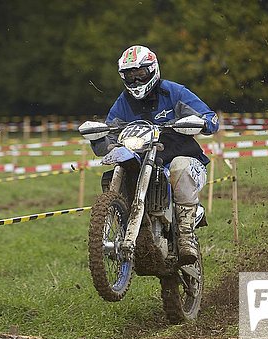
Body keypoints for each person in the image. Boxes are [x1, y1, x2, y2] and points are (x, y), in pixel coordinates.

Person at [88, 44, 219, 265]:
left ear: (152, 70)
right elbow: (110, 129)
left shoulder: (174, 92)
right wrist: (101, 139)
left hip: (182, 161)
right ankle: (124, 228)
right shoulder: (124, 102)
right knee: (118, 168)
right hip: (143, 160)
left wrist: (202, 123)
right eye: (130, 75)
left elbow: (210, 117)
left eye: (140, 74)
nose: (136, 80)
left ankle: (186, 234)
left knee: (180, 167)